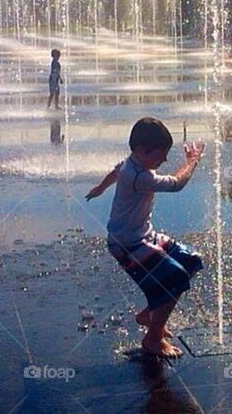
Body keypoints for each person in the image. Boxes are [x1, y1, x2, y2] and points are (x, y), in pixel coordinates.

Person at [86, 118, 205, 358]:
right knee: (176, 279)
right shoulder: (140, 176)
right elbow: (177, 184)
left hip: (144, 236)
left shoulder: (133, 163)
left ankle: (148, 314)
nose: (164, 161)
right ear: (141, 150)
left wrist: (101, 187)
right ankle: (152, 338)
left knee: (191, 261)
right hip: (127, 244)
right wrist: (192, 161)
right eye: (161, 155)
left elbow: (116, 171)